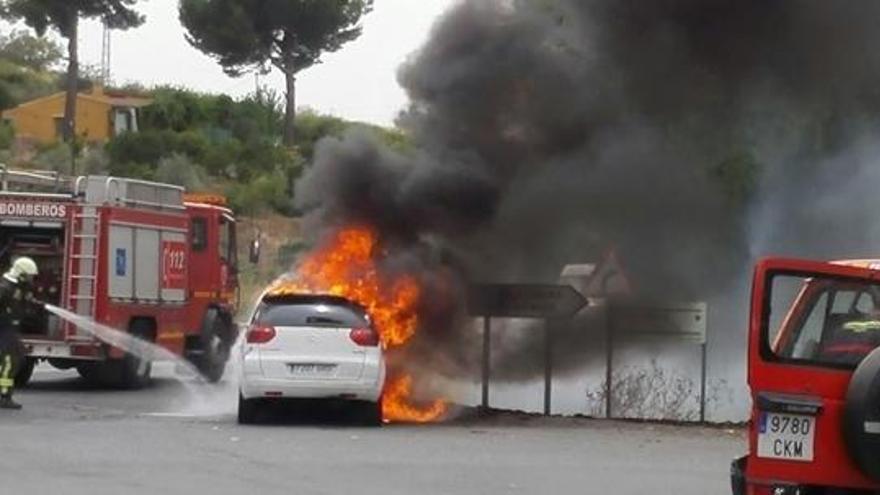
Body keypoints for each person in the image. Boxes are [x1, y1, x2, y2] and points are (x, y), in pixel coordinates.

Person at [0, 257, 38, 410]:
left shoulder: (17, 287)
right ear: (21, 274)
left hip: (9, 330)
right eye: (29, 276)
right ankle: (4, 397)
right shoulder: (4, 288)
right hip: (3, 328)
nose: (31, 279)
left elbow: (20, 303)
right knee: (10, 361)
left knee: (18, 357)